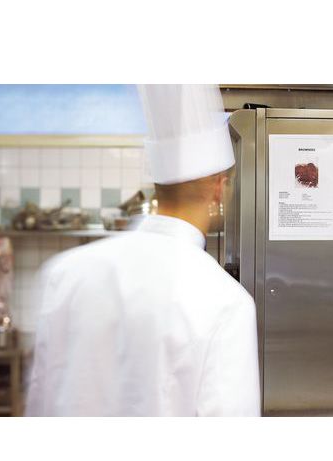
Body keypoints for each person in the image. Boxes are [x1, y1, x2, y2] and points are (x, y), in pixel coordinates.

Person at [25, 85, 260, 416]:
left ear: (157, 187)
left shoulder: (63, 273)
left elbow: (39, 400)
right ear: (219, 189)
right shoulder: (226, 302)